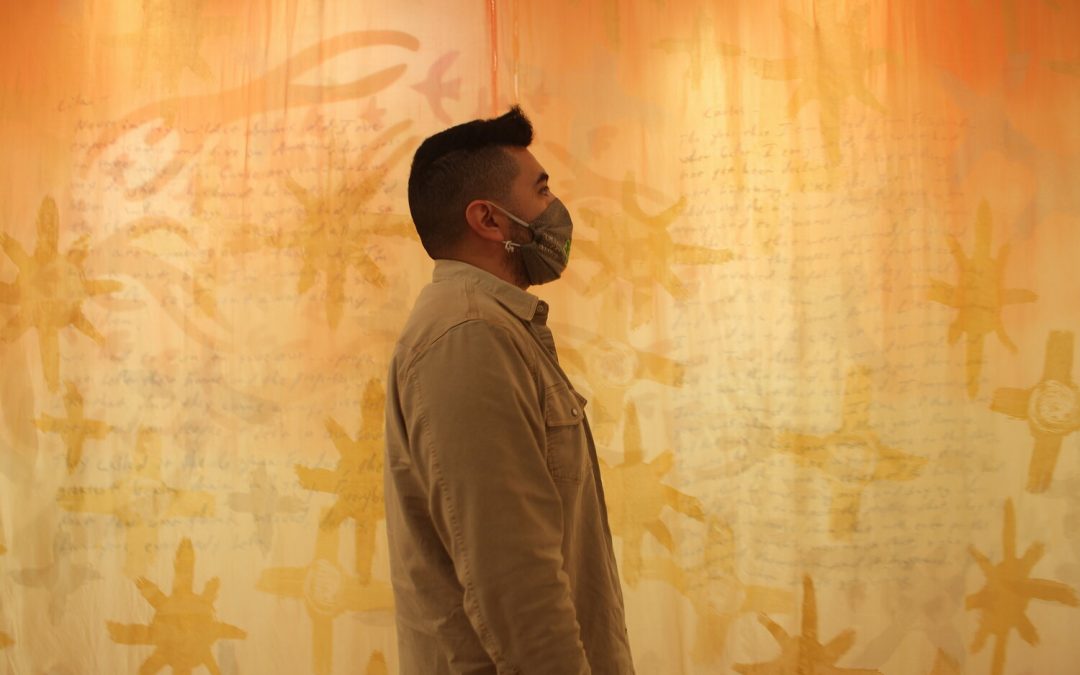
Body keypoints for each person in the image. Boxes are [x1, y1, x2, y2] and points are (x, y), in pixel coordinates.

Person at [383, 106, 636, 674]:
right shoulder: (469, 336)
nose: (556, 208)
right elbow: (513, 577)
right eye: (542, 190)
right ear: (489, 220)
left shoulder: (491, 329)